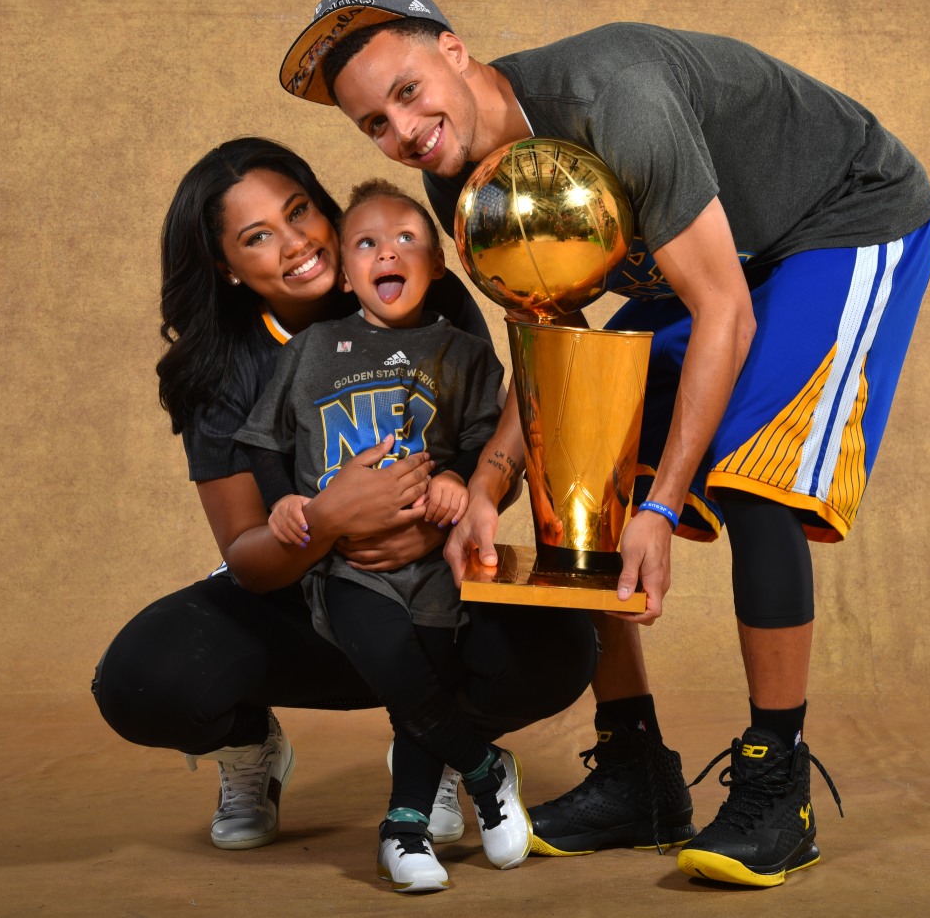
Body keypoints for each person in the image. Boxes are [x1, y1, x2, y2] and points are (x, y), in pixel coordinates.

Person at [278, 0, 930, 887]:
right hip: (724, 255)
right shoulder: (453, 179)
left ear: (456, 50)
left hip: (840, 216)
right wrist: (491, 480)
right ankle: (636, 771)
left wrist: (663, 507)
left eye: (406, 91)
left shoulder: (614, 100)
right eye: (374, 127)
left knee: (752, 478)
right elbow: (554, 340)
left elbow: (723, 312)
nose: (404, 130)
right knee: (581, 462)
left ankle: (777, 782)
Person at [90, 138, 596, 863]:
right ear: (229, 269)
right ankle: (252, 749)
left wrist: (453, 504)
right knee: (144, 678)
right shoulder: (223, 370)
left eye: (300, 212)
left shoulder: (406, 277)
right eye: (258, 237)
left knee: (561, 644)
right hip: (307, 598)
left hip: (429, 584)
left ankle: (441, 746)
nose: (294, 243)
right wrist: (330, 519)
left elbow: (488, 442)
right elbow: (249, 558)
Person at [236, 179, 533, 890]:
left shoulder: (461, 353)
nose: (386, 252)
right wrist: (283, 504)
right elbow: (262, 442)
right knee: (396, 661)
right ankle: (485, 768)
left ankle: (404, 827)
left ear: (435, 266)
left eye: (407, 239)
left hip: (433, 563)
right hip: (346, 566)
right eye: (365, 242)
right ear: (344, 272)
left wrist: (461, 480)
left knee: (424, 678)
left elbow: (485, 441)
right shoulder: (311, 348)